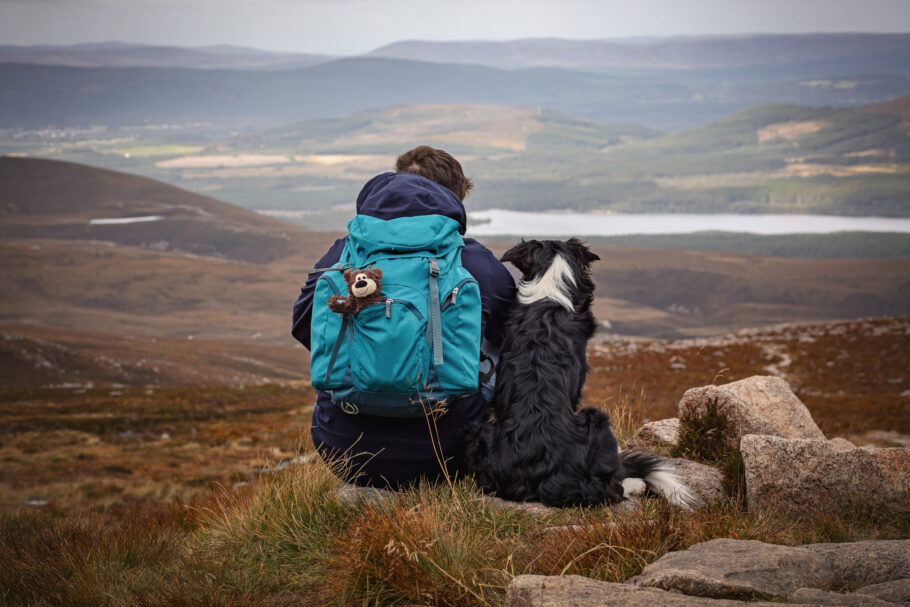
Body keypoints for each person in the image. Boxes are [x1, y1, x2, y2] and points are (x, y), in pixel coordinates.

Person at [291, 146, 516, 488]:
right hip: (451, 455)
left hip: (345, 449)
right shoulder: (476, 263)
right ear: (454, 200)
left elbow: (303, 325)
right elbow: (513, 343)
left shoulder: (345, 253)